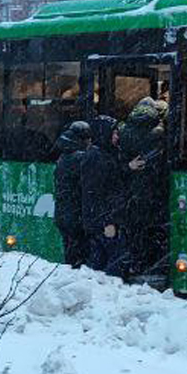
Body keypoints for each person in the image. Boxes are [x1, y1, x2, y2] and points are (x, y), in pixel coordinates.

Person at [115, 97, 168, 278]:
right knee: (150, 229)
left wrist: (127, 168)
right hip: (152, 189)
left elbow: (118, 158)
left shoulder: (124, 130)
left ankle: (133, 262)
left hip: (129, 188)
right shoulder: (160, 132)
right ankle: (147, 261)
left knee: (133, 229)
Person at [77, 115, 124, 274]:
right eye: (114, 133)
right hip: (102, 221)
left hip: (100, 219)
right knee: (110, 263)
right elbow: (96, 193)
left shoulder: (101, 154)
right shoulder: (98, 158)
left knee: (100, 261)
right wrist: (107, 222)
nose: (117, 137)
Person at [51, 118, 91, 266]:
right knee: (77, 256)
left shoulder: (64, 155)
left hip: (64, 214)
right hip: (75, 215)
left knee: (70, 250)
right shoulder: (79, 158)